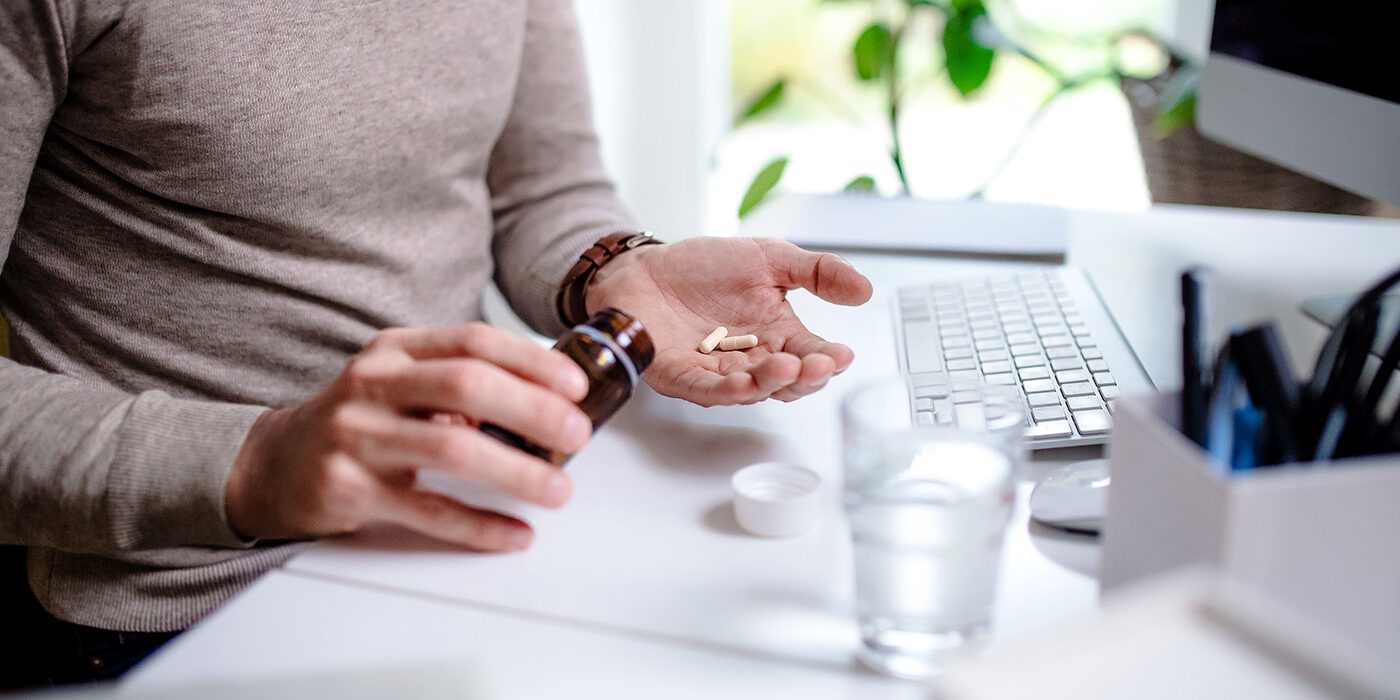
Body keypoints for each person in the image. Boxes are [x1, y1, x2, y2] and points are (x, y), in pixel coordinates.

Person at [0, 0, 873, 688]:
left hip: (479, 534)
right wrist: (259, 460)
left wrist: (617, 271)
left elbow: (547, 185)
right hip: (186, 608)